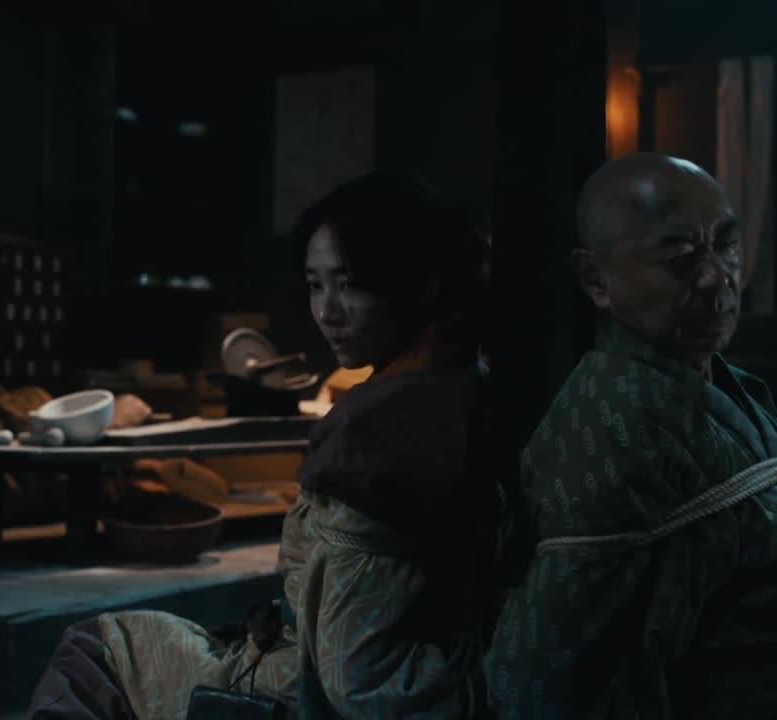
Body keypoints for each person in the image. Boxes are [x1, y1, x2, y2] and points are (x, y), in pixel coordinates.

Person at [29, 171, 498, 719]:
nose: (327, 312)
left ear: (422, 283)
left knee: (94, 650)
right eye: (315, 285)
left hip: (299, 691)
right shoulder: (462, 380)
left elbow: (358, 677)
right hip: (322, 659)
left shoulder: (380, 436)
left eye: (349, 284)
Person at [483, 153, 777, 719]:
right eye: (680, 257)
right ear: (596, 278)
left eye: (726, 244)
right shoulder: (614, 432)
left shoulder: (719, 384)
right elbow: (553, 668)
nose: (718, 278)